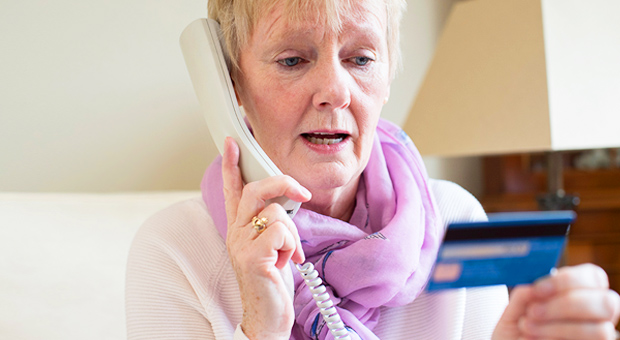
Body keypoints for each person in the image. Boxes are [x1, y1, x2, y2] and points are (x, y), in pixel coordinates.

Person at [125, 0, 620, 339]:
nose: (336, 91)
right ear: (230, 89)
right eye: (293, 59)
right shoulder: (175, 249)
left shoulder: (456, 219)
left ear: (386, 77)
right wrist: (262, 328)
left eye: (360, 58)